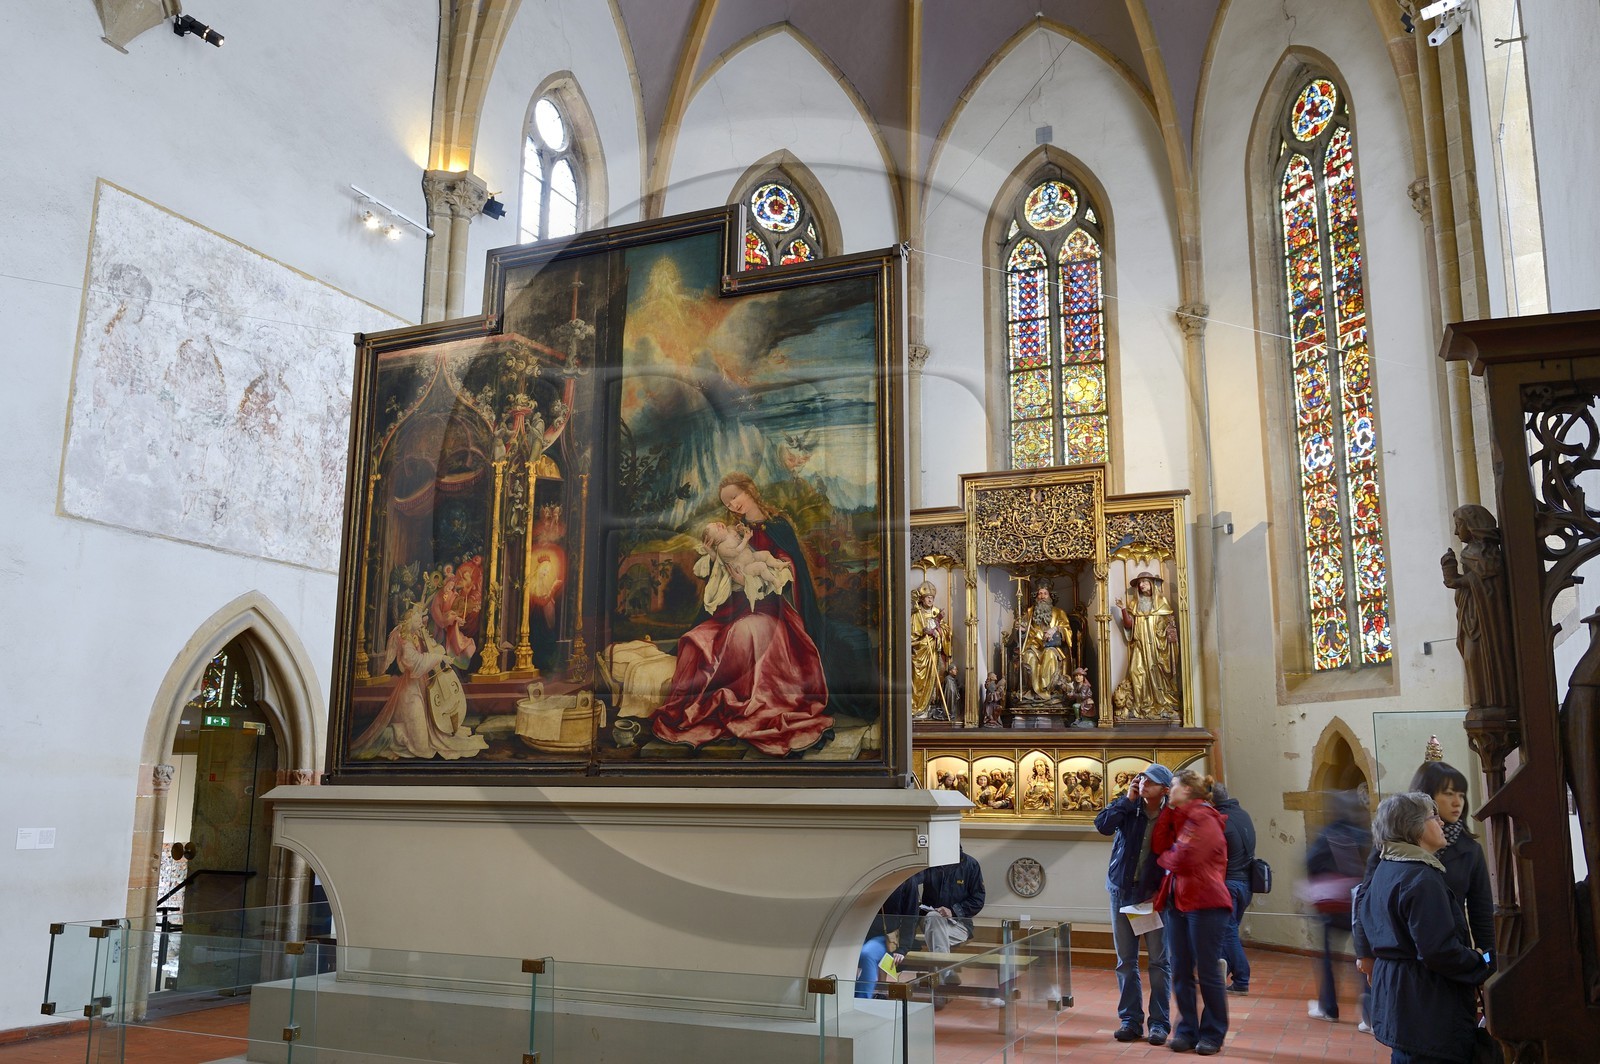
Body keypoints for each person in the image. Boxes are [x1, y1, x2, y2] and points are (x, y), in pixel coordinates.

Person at [651, 474, 833, 757]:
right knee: (696, 639)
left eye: (736, 496)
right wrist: (732, 575)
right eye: (727, 502)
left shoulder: (778, 527)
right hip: (734, 609)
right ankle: (723, 700)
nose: (733, 504)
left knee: (747, 632)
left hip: (772, 611)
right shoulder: (733, 533)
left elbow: (790, 565)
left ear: (750, 491)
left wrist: (772, 572)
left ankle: (754, 701)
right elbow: (721, 575)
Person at [1353, 792, 1493, 1063]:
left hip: (1400, 1004)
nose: (1441, 823)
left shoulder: (1387, 868)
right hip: (1426, 1006)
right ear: (1413, 826)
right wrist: (1482, 960)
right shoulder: (1420, 877)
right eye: (1433, 817)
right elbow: (1439, 952)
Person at [1358, 762, 1494, 969]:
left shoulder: (1470, 851)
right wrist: (1364, 954)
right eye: (1449, 794)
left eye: (1461, 794)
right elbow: (1366, 899)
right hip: (1410, 960)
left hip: (1450, 957)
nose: (1457, 802)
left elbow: (1481, 914)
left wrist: (1486, 963)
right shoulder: (1392, 850)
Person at [1094, 762, 1174, 1045]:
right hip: (1122, 892)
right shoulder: (1130, 808)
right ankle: (1130, 1020)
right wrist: (1127, 800)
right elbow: (1102, 825)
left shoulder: (1172, 815)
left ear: (1165, 789)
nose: (1142, 784)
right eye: (1140, 779)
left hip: (1153, 897)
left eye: (1149, 781)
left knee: (1159, 961)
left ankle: (1159, 1023)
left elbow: (1176, 860)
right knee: (1125, 961)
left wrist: (1161, 892)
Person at [1154, 770, 1232, 1055]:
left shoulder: (1204, 817)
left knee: (1208, 972)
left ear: (1186, 789)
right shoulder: (1186, 818)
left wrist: (1168, 858)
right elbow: (1162, 847)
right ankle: (1187, 1029)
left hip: (1206, 904)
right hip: (1180, 903)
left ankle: (1213, 1033)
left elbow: (1185, 858)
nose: (1168, 790)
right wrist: (1170, 854)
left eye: (1172, 786)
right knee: (1181, 970)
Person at [351, 603, 489, 761]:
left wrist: (436, 649)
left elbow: (435, 648)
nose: (421, 624)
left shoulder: (417, 636)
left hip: (424, 687)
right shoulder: (404, 641)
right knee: (422, 748)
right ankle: (391, 735)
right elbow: (416, 663)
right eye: (418, 622)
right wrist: (440, 657)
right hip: (410, 692)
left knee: (428, 739)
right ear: (409, 624)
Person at [1305, 789, 1372, 1023]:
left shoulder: (1328, 833)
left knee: (1328, 959)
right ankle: (1369, 1014)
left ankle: (1329, 1007)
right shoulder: (1363, 833)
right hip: (1358, 903)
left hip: (1332, 906)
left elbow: (1311, 862)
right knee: (1364, 956)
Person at [1114, 571, 1180, 718]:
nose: (1141, 585)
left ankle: (1162, 704)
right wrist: (1123, 609)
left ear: (1151, 583)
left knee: (1157, 672)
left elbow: (1170, 623)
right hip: (1140, 645)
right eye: (1139, 583)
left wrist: (1168, 633)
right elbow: (1129, 624)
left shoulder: (1162, 602)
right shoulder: (1134, 604)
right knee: (1136, 672)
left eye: (1144, 582)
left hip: (1157, 645)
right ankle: (1142, 704)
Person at [1212, 781, 1257, 994]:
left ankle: (1241, 979)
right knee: (1228, 931)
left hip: (1229, 884)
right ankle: (1223, 973)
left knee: (1227, 931)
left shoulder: (1221, 820)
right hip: (1246, 884)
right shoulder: (1243, 814)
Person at [857, 872, 922, 998]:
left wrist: (902, 948)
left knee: (867, 954)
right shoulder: (870, 875)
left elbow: (911, 918)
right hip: (859, 933)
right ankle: (852, 996)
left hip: (885, 937)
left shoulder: (907, 880)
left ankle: (862, 999)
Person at [918, 848, 985, 957]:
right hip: (929, 920)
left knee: (936, 936)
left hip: (959, 925)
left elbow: (978, 899)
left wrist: (953, 911)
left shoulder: (971, 864)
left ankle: (940, 972)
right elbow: (912, 883)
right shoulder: (929, 862)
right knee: (934, 917)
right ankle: (944, 972)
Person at [1018, 585, 1073, 701]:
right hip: (1033, 646)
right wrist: (1021, 629)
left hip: (1051, 647)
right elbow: (1022, 628)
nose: (1042, 596)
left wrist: (1056, 629)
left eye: (1045, 593)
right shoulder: (1030, 612)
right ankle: (1032, 690)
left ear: (1050, 596)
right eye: (1039, 593)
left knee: (1049, 655)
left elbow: (1068, 630)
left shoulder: (1059, 612)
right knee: (1028, 657)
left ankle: (1046, 691)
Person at [909, 581, 952, 721]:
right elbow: (911, 635)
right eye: (927, 597)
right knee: (918, 680)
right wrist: (923, 632)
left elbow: (946, 633)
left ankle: (928, 708)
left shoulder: (936, 612)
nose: (930, 599)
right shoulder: (917, 614)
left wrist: (936, 631)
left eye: (932, 597)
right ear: (922, 598)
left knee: (933, 680)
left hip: (933, 651)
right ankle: (915, 707)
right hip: (920, 652)